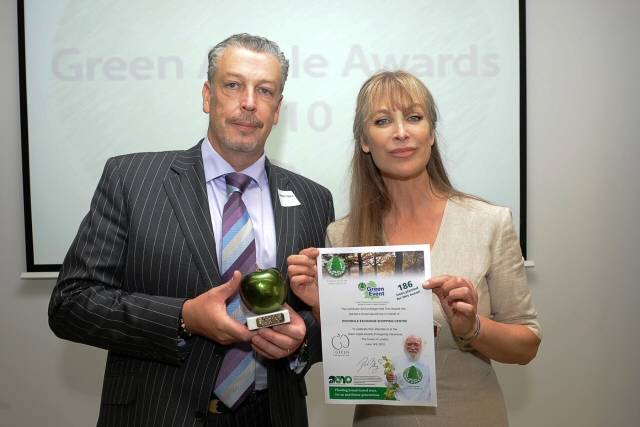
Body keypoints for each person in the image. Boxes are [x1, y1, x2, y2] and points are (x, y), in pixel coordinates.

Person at [48, 33, 334, 427]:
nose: (249, 102)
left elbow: (323, 318)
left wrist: (304, 337)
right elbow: (71, 304)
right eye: (233, 85)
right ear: (207, 95)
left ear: (278, 108)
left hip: (273, 415)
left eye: (264, 90)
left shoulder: (313, 198)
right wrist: (183, 318)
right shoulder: (132, 179)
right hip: (158, 414)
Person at [287, 70, 541, 426]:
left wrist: (471, 328)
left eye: (414, 117)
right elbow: (349, 353)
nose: (401, 132)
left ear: (431, 133)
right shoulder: (342, 237)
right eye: (382, 121)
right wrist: (320, 304)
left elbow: (526, 345)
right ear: (364, 140)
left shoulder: (489, 222)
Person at [384, 335, 431, 402]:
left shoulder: (429, 362)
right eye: (409, 344)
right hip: (401, 403)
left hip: (424, 404)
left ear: (422, 346)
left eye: (416, 344)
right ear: (404, 346)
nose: (412, 347)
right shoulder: (395, 361)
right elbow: (390, 385)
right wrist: (389, 380)